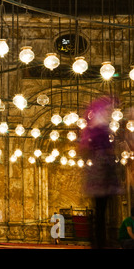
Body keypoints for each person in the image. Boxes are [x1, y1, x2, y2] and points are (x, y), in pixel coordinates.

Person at [79, 95, 124, 249]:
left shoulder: (95, 129)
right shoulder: (100, 129)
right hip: (103, 172)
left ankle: (101, 240)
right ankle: (102, 240)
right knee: (103, 208)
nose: (110, 112)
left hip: (100, 173)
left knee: (101, 209)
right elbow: (106, 150)